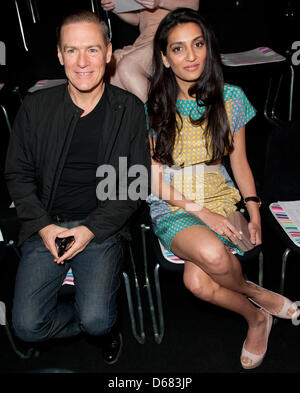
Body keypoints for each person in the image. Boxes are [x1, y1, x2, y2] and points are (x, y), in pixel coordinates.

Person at [146, 8, 299, 370]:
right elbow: (153, 178)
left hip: (220, 193)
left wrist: (254, 208)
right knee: (215, 256)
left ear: (208, 48)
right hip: (173, 202)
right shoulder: (154, 106)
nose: (191, 56)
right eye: (178, 49)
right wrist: (203, 214)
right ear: (165, 59)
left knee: (198, 283)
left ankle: (257, 320)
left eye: (197, 45)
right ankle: (257, 295)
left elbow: (240, 162)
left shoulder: (231, 97)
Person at [5, 9, 150, 365]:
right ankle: (86, 318)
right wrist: (43, 226)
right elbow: (18, 175)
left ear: (109, 52)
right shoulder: (36, 108)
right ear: (59, 55)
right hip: (48, 224)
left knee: (98, 322)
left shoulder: (128, 109)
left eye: (92, 50)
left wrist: (91, 230)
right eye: (72, 50)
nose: (82, 62)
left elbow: (133, 186)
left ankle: (104, 326)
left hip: (101, 225)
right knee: (26, 327)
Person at [100, 0, 199, 102]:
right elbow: (137, 19)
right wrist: (114, 7)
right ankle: (137, 116)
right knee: (111, 70)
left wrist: (160, 2)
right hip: (144, 39)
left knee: (128, 67)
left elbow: (194, 4)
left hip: (167, 36)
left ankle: (161, 115)